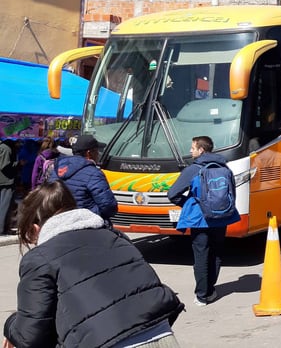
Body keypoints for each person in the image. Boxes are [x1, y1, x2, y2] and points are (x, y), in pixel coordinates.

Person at [2, 181, 184, 348]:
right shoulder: (116, 237)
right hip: (163, 336)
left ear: (35, 229)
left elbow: (30, 337)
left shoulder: (40, 258)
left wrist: (10, 325)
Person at [167, 136, 240, 307]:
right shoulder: (225, 167)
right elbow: (231, 192)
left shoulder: (193, 169)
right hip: (222, 217)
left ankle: (202, 295)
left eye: (193, 148)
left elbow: (172, 193)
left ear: (201, 150)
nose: (190, 151)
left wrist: (189, 204)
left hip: (200, 219)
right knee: (216, 253)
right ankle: (210, 289)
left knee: (201, 255)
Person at [47, 134, 117, 222]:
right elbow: (109, 206)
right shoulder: (94, 173)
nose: (98, 154)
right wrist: (92, 214)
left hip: (59, 222)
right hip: (86, 225)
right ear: (89, 153)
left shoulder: (56, 170)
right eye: (96, 151)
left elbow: (48, 198)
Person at [0, 140, 18, 235]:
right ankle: (2, 229)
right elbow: (4, 166)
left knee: (5, 206)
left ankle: (5, 228)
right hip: (6, 181)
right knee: (4, 206)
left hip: (5, 181)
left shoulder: (4, 147)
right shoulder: (6, 148)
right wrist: (18, 164)